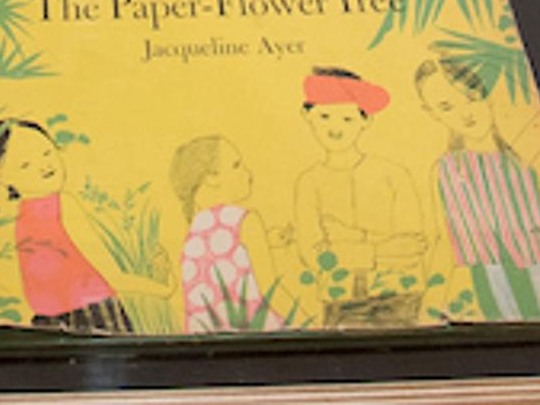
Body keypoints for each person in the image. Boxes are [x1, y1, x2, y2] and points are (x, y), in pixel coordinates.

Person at [411, 52, 540, 320]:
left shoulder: (526, 160)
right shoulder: (446, 171)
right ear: (432, 113)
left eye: (470, 97)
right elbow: (441, 239)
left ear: (485, 92)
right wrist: (432, 298)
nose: (465, 113)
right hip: (489, 278)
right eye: (447, 107)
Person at [283, 68, 427, 325]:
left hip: (399, 295)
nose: (335, 128)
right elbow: (315, 256)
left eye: (347, 119)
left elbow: (412, 247)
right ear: (308, 115)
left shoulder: (394, 175)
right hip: (338, 299)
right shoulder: (309, 182)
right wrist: (380, 247)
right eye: (325, 116)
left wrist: (346, 238)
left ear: (365, 121)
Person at [0, 119, 125, 333]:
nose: (44, 165)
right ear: (1, 177)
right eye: (25, 164)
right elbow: (108, 271)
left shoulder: (23, 217)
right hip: (94, 313)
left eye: (46, 152)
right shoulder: (63, 206)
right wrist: (160, 289)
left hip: (49, 321)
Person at [168, 135, 286, 332]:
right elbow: (273, 293)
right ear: (211, 177)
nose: (248, 173)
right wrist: (313, 325)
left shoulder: (195, 229)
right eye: (236, 165)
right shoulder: (246, 221)